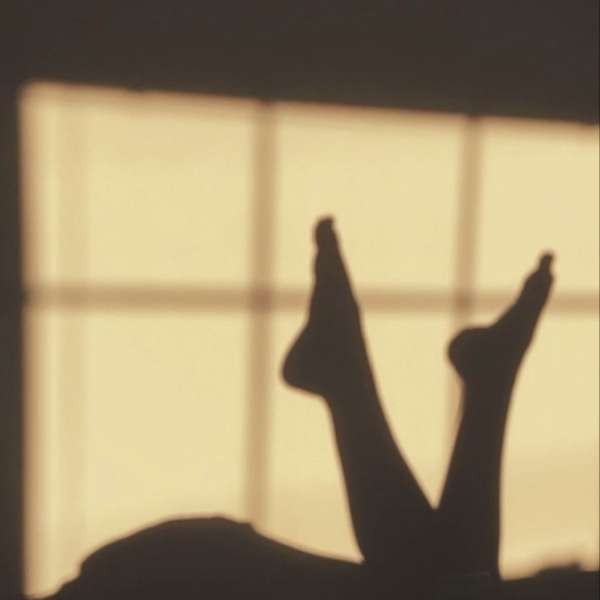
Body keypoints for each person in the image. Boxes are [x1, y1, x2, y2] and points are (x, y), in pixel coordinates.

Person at [41, 217, 558, 600]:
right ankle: (446, 382)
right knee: (431, 582)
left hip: (156, 582)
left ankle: (441, 382)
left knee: (428, 584)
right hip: (165, 575)